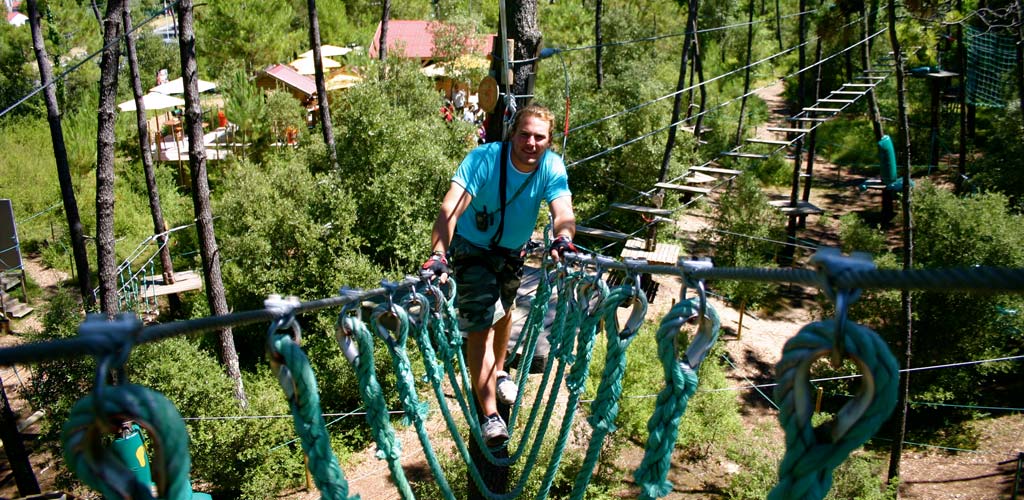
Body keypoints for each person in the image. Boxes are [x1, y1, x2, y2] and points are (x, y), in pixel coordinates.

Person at [422, 104, 577, 447]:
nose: (531, 143)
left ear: (549, 142)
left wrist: (564, 239)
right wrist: (438, 254)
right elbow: (451, 207)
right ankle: (491, 416)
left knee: (504, 313)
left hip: (512, 252)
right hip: (472, 249)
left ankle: (501, 369)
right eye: (524, 134)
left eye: (540, 137)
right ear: (512, 134)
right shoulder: (485, 160)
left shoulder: (551, 166)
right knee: (480, 327)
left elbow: (562, 209)